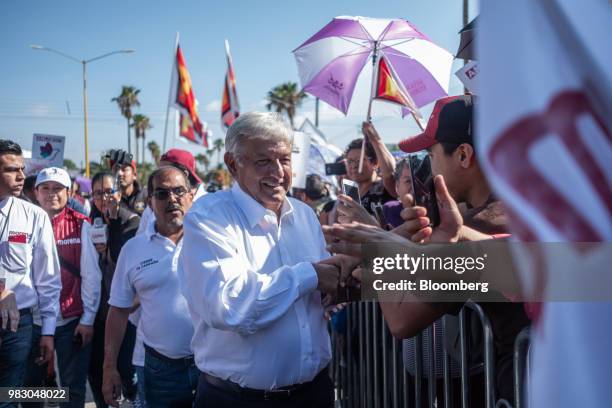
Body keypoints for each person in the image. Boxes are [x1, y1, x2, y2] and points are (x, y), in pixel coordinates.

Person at [325, 95, 529, 405]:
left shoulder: (485, 222)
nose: (428, 166)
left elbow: (403, 319)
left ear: (463, 154)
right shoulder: (517, 206)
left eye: (431, 154)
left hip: (515, 387)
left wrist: (377, 251)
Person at [180, 112, 340, 407]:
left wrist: (337, 287)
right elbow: (229, 306)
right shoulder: (208, 218)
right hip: (237, 400)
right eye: (264, 161)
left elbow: (317, 294)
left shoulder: (305, 216)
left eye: (285, 159)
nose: (278, 172)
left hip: (313, 393)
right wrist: (311, 276)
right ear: (233, 164)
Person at [103, 166, 196, 408]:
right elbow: (118, 310)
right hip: (160, 371)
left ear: (191, 196)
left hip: (213, 368)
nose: (172, 199)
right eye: (162, 194)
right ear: (150, 201)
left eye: (179, 191)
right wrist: (109, 367)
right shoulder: (133, 250)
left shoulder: (212, 241)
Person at [26, 167, 102, 407]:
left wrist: (88, 319)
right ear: (35, 193)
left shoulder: (82, 225)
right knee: (28, 390)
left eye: (58, 188)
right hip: (33, 322)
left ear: (69, 192)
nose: (51, 194)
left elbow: (91, 276)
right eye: (45, 188)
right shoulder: (22, 223)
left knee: (72, 390)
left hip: (71, 322)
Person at [0, 140, 61, 400]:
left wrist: (47, 331)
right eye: (12, 169)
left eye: (22, 169)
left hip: (17, 326)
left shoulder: (34, 216)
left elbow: (48, 280)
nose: (22, 176)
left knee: (9, 396)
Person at [87, 171, 140, 408]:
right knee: (97, 371)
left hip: (126, 314)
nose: (104, 198)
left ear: (119, 193)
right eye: (98, 193)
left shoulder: (132, 223)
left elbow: (132, 273)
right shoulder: (91, 224)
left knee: (126, 372)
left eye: (109, 191)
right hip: (98, 312)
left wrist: (108, 251)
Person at [136, 148, 206, 235]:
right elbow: (140, 240)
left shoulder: (210, 206)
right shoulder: (154, 204)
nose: (160, 175)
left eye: (165, 170)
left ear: (185, 174)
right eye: (159, 170)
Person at [109, 150, 146, 216]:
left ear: (134, 175)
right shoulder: (107, 198)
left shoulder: (146, 196)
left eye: (124, 169)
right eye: (116, 169)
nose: (119, 173)